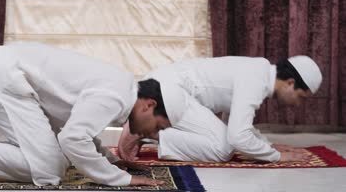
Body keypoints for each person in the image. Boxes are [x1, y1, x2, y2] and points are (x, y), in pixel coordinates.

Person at [0, 42, 181, 187]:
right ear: (149, 105)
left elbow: (73, 127)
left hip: (10, 77)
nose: (153, 136)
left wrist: (110, 161)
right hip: (8, 79)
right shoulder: (116, 95)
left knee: (45, 159)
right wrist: (120, 178)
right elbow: (73, 139)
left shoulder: (120, 89)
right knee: (48, 170)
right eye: (159, 127)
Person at [118, 56, 322, 163]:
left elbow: (237, 125)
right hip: (169, 91)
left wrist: (267, 145)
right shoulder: (256, 79)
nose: (297, 104)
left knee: (226, 141)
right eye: (300, 97)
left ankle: (148, 130)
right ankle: (147, 132)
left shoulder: (258, 71)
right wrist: (275, 156)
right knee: (223, 149)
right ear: (290, 82)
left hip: (168, 87)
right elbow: (238, 137)